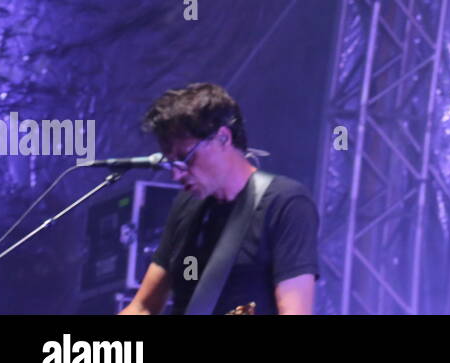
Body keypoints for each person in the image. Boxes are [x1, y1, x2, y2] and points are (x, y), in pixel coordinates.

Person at [118, 82, 319, 315]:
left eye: (185, 158)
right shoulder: (186, 205)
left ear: (223, 138)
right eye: (171, 163)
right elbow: (143, 308)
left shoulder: (286, 203)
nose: (176, 174)